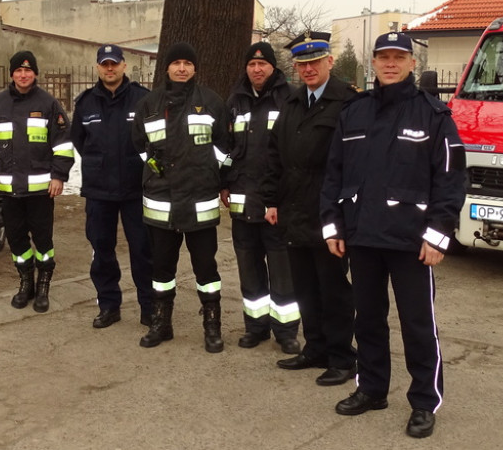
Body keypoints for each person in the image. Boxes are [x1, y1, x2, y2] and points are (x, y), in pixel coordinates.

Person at [321, 32, 467, 440]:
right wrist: (332, 226)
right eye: (383, 57)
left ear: (411, 63)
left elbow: (451, 181)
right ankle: (371, 389)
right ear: (373, 63)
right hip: (362, 237)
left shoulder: (434, 115)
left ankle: (424, 401)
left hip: (411, 243)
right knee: (366, 319)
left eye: (398, 57)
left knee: (417, 325)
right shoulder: (355, 113)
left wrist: (438, 236)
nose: (390, 64)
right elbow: (334, 175)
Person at [263, 31, 358, 387]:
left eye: (314, 62)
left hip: (329, 213)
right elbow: (275, 156)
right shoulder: (290, 102)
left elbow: (352, 163)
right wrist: (272, 200)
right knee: (304, 287)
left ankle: (342, 357)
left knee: (332, 288)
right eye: (302, 64)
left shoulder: (346, 102)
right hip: (294, 210)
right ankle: (315, 347)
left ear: (329, 62)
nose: (308, 70)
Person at [132, 42, 231, 353]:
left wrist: (211, 173)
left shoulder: (212, 102)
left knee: (207, 269)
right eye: (177, 63)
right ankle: (162, 323)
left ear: (195, 68)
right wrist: (153, 163)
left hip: (200, 201)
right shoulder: (149, 104)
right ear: (167, 68)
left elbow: (225, 149)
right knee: (161, 269)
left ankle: (212, 325)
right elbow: (138, 144)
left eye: (188, 63)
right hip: (162, 203)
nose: (182, 68)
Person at [220, 42, 301, 354]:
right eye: (252, 65)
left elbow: (292, 154)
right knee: (249, 270)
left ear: (272, 67)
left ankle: (286, 332)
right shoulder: (235, 101)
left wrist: (282, 200)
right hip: (242, 203)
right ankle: (256, 327)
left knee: (283, 274)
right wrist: (224, 184)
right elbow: (226, 150)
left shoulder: (289, 98)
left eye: (263, 64)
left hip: (275, 206)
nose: (257, 70)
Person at [0, 51, 74, 313]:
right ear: (12, 74)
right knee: (17, 240)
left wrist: (58, 176)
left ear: (35, 74)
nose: (23, 75)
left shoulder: (48, 103)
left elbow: (63, 145)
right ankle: (26, 284)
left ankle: (43, 285)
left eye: (28, 70)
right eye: (18, 71)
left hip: (41, 191)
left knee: (43, 241)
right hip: (9, 191)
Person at [71, 44, 153, 329]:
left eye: (114, 64)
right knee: (102, 250)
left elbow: (152, 140)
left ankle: (149, 306)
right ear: (98, 67)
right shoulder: (85, 103)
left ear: (124, 65)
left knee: (143, 250)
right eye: (104, 64)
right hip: (99, 191)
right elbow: (80, 142)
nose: (110, 69)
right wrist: (100, 163)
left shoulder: (143, 100)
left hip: (135, 189)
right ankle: (108, 305)